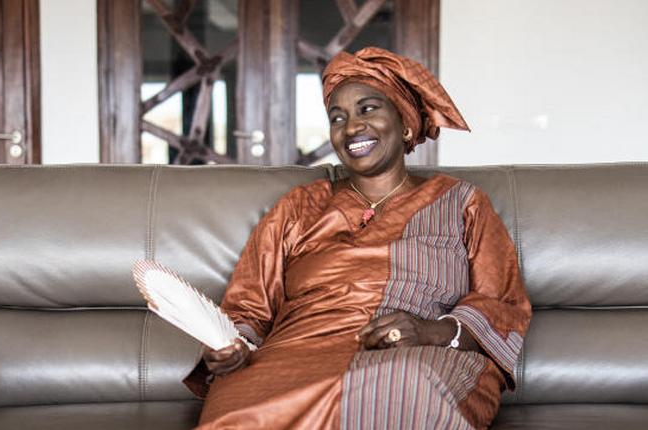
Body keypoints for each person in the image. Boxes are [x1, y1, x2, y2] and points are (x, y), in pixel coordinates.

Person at [184, 47, 532, 430]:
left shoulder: (461, 201)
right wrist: (232, 346)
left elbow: (501, 302)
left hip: (413, 353)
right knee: (238, 401)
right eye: (338, 118)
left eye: (368, 110)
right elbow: (247, 309)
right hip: (294, 352)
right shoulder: (299, 206)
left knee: (403, 388)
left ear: (405, 124)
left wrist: (431, 330)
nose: (351, 127)